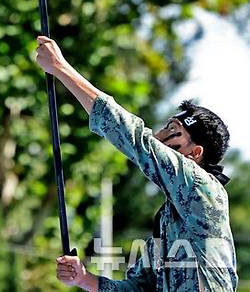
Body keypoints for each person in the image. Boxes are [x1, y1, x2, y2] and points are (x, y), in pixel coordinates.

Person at [35, 36, 238, 291]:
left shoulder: (201, 187)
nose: (158, 135)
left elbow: (135, 138)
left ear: (194, 153)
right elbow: (135, 289)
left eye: (172, 130)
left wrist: (61, 69)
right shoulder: (164, 226)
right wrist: (83, 278)